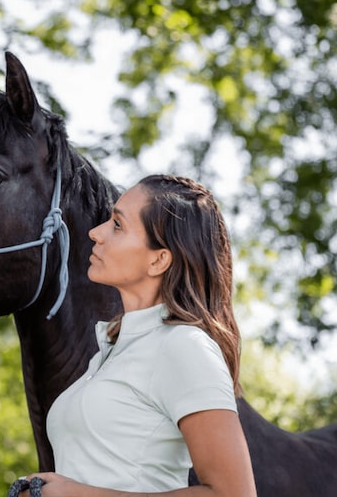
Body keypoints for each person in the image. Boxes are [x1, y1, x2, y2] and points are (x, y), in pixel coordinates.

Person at [21, 174, 257, 496]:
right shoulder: (111, 350)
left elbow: (234, 493)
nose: (96, 233)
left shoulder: (184, 346)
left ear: (159, 259)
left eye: (117, 225)